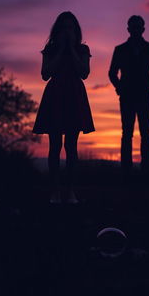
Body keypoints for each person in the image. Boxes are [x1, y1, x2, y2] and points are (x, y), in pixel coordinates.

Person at [32, 11, 95, 203]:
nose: (67, 31)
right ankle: (55, 190)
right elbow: (45, 73)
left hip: (74, 95)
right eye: (64, 27)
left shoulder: (82, 50)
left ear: (75, 30)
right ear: (58, 30)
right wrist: (60, 50)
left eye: (71, 27)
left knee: (71, 146)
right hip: (55, 95)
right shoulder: (50, 49)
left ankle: (69, 189)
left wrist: (72, 49)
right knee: (55, 146)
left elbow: (84, 72)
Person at [108, 15, 149, 179]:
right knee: (127, 134)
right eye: (133, 27)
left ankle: (145, 172)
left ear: (143, 29)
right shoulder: (120, 49)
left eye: (138, 27)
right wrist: (119, 88)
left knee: (146, 134)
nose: (136, 30)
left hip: (145, 96)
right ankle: (126, 172)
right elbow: (112, 73)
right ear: (128, 29)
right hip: (127, 97)